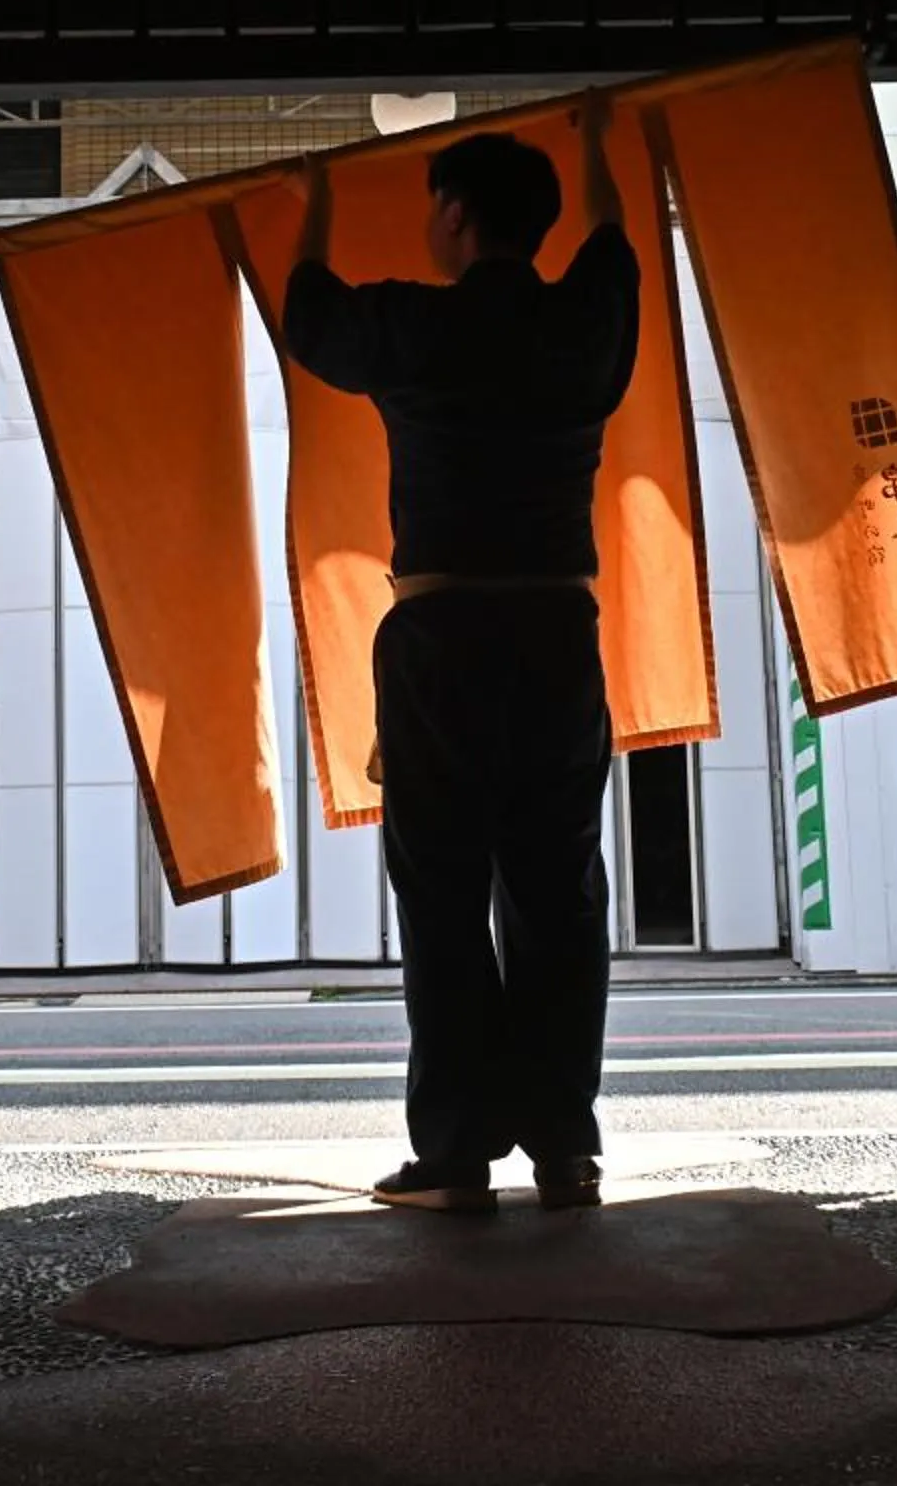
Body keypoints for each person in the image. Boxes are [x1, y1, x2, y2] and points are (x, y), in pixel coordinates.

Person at [281, 94, 638, 1212]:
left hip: (437, 639)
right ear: (533, 223)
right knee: (557, 895)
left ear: (450, 214)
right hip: (554, 634)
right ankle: (564, 1146)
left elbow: (309, 317)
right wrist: (594, 146)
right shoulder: (579, 327)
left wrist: (317, 199)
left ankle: (456, 1151)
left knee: (441, 894)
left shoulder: (417, 329)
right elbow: (615, 247)